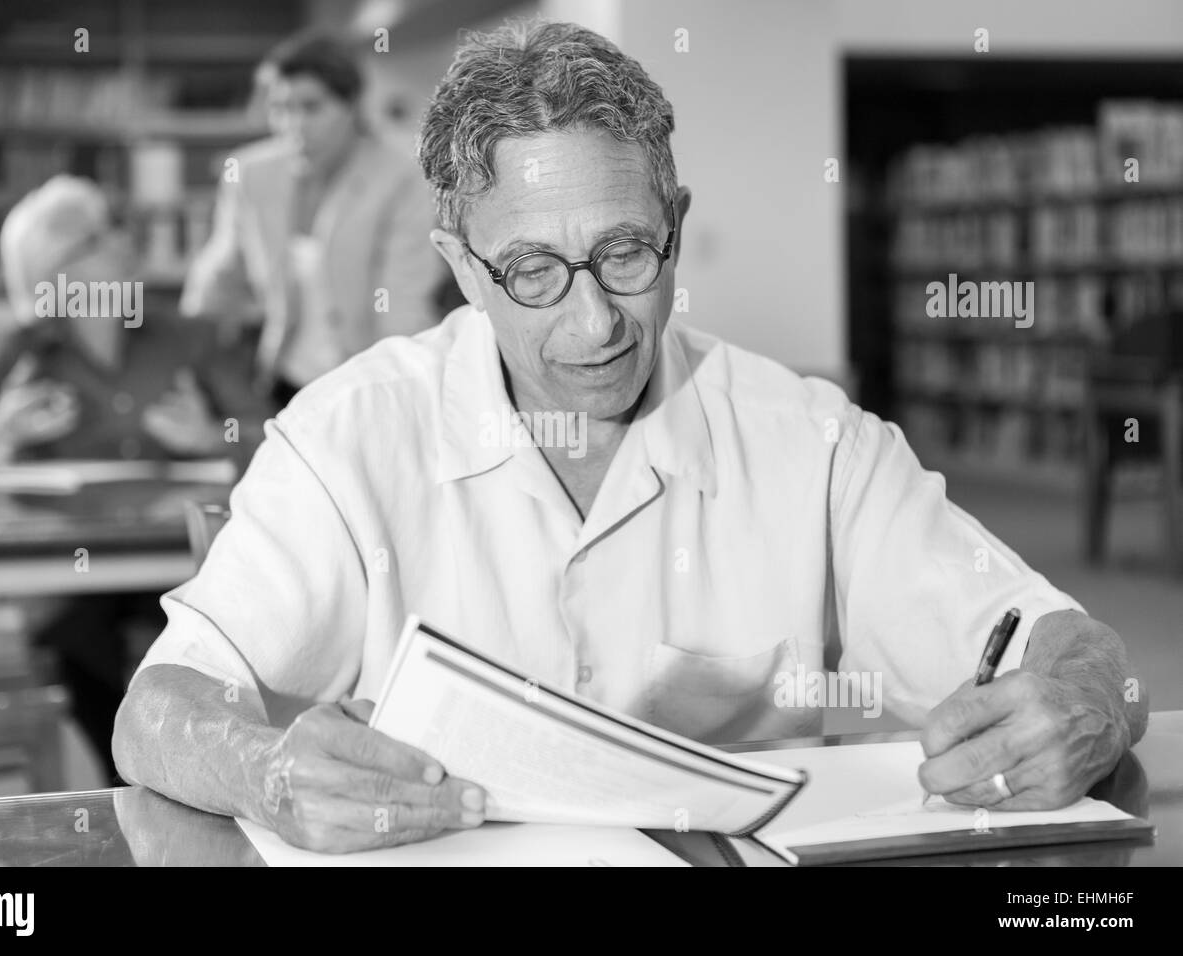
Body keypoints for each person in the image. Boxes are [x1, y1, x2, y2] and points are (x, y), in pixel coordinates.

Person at [114, 20, 1148, 853]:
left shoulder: (812, 442)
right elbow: (154, 712)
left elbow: (1057, 638)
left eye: (624, 254)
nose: (593, 321)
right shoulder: (346, 438)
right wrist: (267, 770)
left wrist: (1084, 696)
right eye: (529, 272)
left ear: (676, 225)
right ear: (461, 267)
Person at [0, 174, 270, 782]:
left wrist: (212, 435)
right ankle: (131, 785)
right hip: (73, 583)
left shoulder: (185, 336)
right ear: (60, 274)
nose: (126, 246)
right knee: (83, 638)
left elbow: (282, 437)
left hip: (176, 566)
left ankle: (172, 787)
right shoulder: (27, 352)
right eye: (103, 238)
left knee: (191, 645)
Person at [180, 28, 449, 407]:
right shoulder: (250, 173)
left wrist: (400, 400)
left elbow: (402, 302)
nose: (294, 126)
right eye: (281, 108)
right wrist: (182, 356)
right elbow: (220, 272)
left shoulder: (401, 177)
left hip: (367, 380)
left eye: (311, 107)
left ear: (352, 106)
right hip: (282, 381)